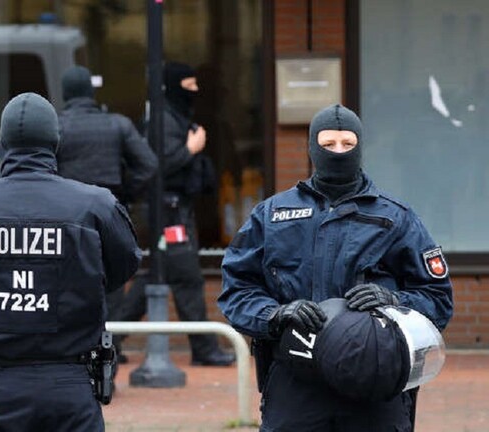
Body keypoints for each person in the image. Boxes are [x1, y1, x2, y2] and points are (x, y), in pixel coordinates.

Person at [217, 104, 454, 431]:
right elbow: (237, 290)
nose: (338, 151)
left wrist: (395, 302)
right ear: (312, 148)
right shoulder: (271, 216)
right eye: (328, 144)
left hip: (374, 380)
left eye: (347, 143)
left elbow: (437, 298)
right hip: (296, 381)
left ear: (360, 147)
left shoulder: (396, 218)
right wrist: (275, 315)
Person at [0, 92, 141, 431]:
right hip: (70, 389)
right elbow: (124, 263)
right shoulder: (96, 206)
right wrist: (79, 288)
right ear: (55, 141)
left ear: (4, 142)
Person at [118, 61, 234, 367]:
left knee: (153, 277)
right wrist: (191, 149)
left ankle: (110, 339)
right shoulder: (163, 120)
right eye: (189, 85)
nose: (196, 90)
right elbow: (158, 164)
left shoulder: (171, 116)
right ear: (173, 87)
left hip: (174, 208)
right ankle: (204, 349)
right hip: (168, 212)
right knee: (187, 277)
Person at [56, 65, 157, 362]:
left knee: (68, 283)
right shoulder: (117, 124)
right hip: (109, 213)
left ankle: (75, 350)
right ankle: (109, 352)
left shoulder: (57, 126)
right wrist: (126, 193)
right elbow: (148, 165)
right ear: (91, 92)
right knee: (111, 285)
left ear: (65, 93)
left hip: (67, 216)